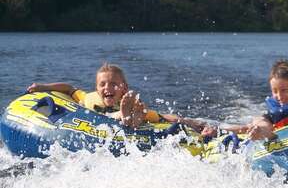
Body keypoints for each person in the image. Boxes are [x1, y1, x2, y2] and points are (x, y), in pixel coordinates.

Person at [27, 63, 199, 129]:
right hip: (106, 117)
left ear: (124, 89)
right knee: (121, 115)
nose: (107, 88)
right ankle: (127, 118)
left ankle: (131, 119)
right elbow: (68, 88)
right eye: (102, 84)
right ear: (96, 87)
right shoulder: (88, 97)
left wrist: (192, 123)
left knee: (149, 115)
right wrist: (43, 86)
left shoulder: (130, 102)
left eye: (113, 84)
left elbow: (164, 117)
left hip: (129, 114)